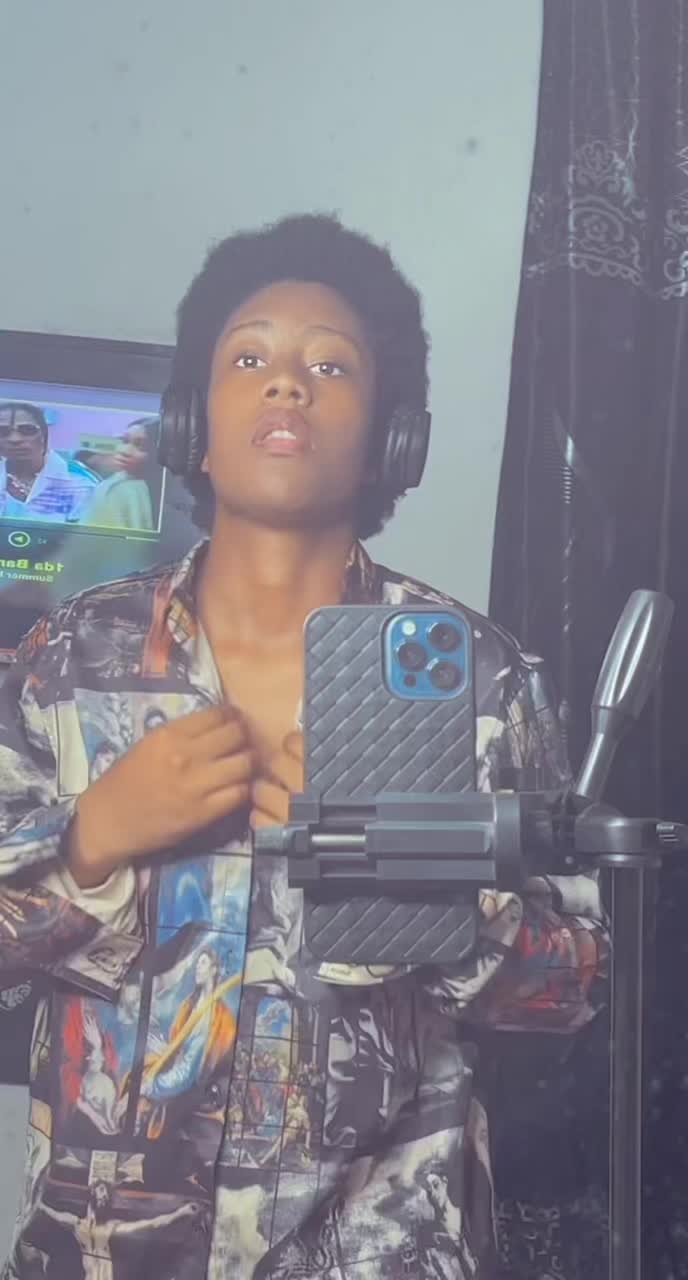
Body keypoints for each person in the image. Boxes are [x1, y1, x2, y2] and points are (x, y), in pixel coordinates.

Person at [0, 214, 607, 1279]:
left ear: (391, 438)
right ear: (191, 421)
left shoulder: (478, 679)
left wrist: (422, 899)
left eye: (332, 365)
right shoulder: (70, 659)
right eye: (249, 358)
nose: (288, 383)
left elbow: (576, 985)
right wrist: (90, 840)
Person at [0, 401, 96, 522]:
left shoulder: (81, 486)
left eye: (27, 430)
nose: (15, 439)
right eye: (2, 431)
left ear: (44, 434)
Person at [78, 417, 161, 531]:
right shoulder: (113, 488)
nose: (124, 451)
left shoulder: (167, 494)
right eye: (125, 441)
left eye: (140, 446)